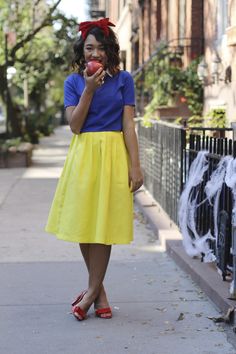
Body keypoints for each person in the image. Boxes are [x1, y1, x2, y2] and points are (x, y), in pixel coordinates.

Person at [45, 18, 143, 321]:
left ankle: (89, 294)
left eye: (101, 48)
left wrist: (135, 165)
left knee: (104, 226)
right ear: (82, 51)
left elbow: (128, 124)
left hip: (113, 154)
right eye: (89, 48)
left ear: (110, 50)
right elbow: (75, 126)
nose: (95, 54)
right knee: (86, 222)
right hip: (84, 154)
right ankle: (98, 292)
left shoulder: (124, 79)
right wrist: (89, 89)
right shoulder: (74, 82)